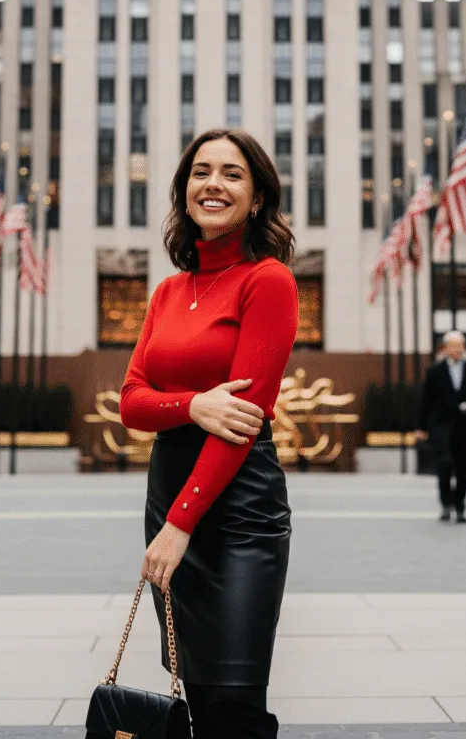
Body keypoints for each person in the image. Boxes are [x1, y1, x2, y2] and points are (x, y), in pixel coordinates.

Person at [120, 128, 299, 739]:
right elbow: (131, 404)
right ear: (184, 190)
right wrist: (195, 405)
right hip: (169, 491)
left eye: (231, 173)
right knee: (197, 696)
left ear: (257, 197)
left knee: (234, 707)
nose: (213, 184)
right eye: (201, 172)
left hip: (239, 507)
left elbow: (242, 421)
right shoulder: (168, 292)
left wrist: (180, 524)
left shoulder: (267, 281)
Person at [416, 330, 466, 523]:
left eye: (460, 345)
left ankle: (460, 506)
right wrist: (421, 427)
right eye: (453, 345)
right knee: (444, 465)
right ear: (446, 348)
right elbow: (426, 401)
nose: (457, 349)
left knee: (464, 468)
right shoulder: (434, 372)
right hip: (442, 428)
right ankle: (446, 504)